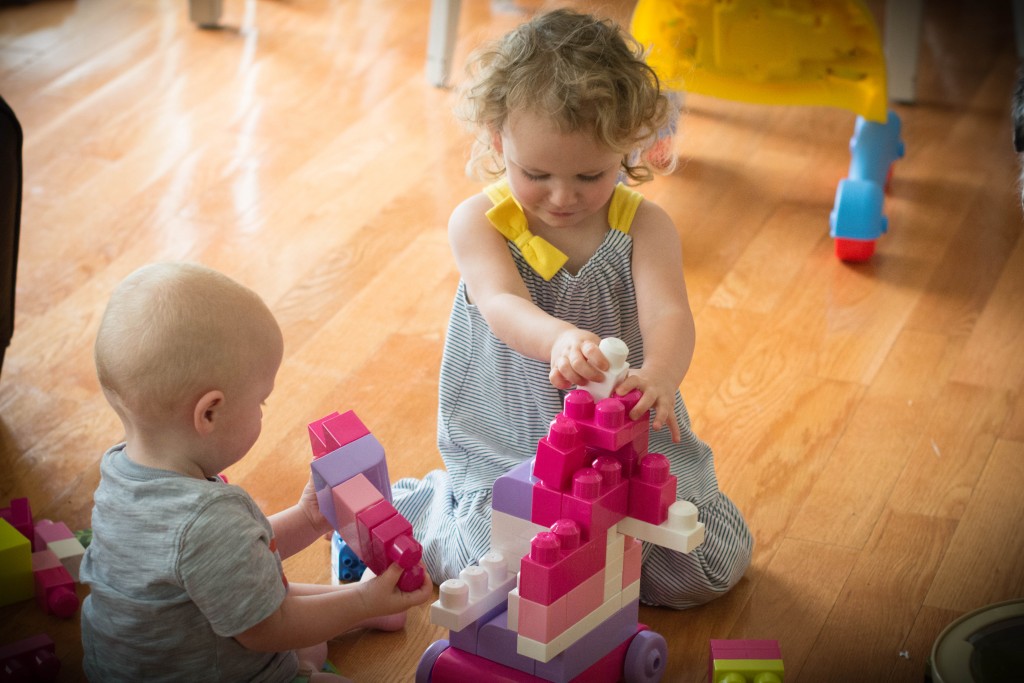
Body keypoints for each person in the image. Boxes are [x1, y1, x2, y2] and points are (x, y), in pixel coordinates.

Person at [392, 8, 752, 609]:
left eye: (591, 174)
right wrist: (558, 338)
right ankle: (433, 503)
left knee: (707, 568)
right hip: (515, 437)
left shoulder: (646, 228)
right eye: (536, 173)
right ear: (497, 138)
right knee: (499, 573)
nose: (563, 197)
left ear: (629, 145)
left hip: (630, 441)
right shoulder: (480, 222)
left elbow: (669, 314)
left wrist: (660, 375)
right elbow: (500, 301)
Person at [81, 262, 434, 682]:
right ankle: (352, 615)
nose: (264, 410)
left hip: (144, 659)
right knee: (293, 627)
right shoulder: (205, 521)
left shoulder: (122, 471)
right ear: (209, 412)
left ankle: (353, 612)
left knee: (268, 593)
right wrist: (364, 602)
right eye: (261, 401)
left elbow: (233, 562)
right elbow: (270, 628)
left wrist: (308, 518)